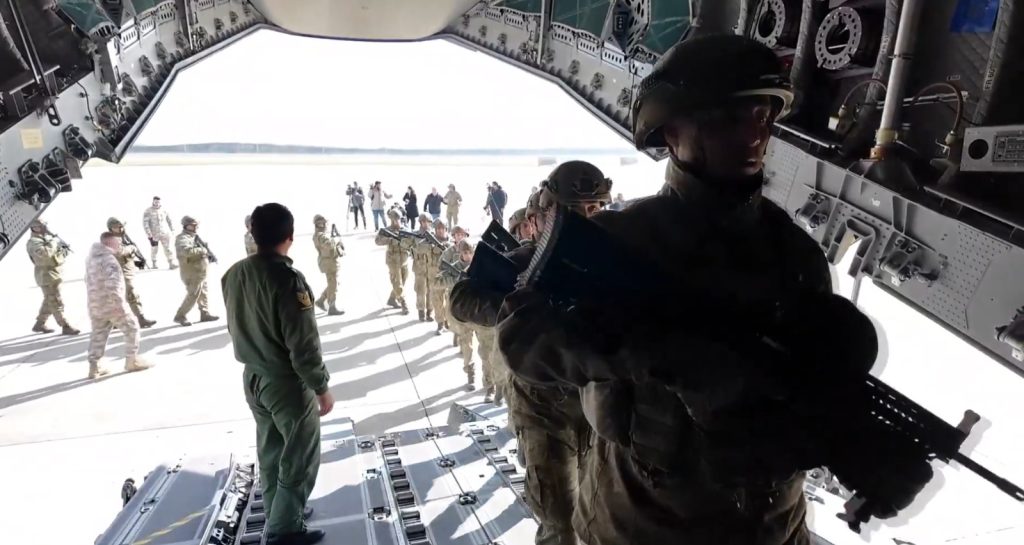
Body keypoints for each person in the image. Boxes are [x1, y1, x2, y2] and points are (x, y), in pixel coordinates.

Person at [489, 35, 932, 545]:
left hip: (770, 527)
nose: (753, 133)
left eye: (763, 115)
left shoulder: (794, 254)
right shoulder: (623, 239)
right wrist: (655, 351)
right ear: (671, 130)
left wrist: (852, 443)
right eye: (728, 118)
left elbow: (801, 388)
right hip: (639, 525)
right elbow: (522, 336)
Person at [451, 161, 612, 545]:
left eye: (595, 208)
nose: (588, 219)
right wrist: (519, 309)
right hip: (542, 407)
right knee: (560, 521)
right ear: (551, 215)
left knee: (597, 516)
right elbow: (461, 299)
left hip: (596, 404)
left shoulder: (608, 264)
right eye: (577, 211)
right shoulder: (528, 261)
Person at [222, 203, 333, 545]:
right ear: (290, 237)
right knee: (299, 456)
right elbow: (303, 344)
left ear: (253, 234)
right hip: (284, 382)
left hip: (253, 378)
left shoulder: (234, 273)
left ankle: (280, 511)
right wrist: (321, 386)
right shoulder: (287, 280)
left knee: (271, 451)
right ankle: (285, 529)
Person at [85, 232, 154, 379]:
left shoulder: (91, 258)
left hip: (95, 305)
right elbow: (113, 285)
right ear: (110, 243)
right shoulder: (109, 260)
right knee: (132, 328)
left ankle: (94, 366)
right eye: (118, 243)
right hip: (112, 305)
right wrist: (120, 306)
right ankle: (132, 361)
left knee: (98, 335)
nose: (120, 246)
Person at [26, 219, 80, 335]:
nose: (44, 228)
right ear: (34, 228)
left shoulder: (46, 239)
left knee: (49, 300)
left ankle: (40, 323)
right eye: (41, 226)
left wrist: (63, 250)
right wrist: (54, 242)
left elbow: (57, 256)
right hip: (46, 276)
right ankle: (65, 326)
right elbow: (46, 254)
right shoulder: (33, 242)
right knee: (56, 301)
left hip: (55, 274)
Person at [437, 239, 478, 390]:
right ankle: (470, 373)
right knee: (467, 344)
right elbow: (437, 282)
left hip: (479, 311)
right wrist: (455, 280)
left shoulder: (479, 266)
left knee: (486, 349)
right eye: (465, 253)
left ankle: (490, 384)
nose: (468, 256)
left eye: (470, 252)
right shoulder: (453, 268)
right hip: (462, 312)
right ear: (460, 253)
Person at [106, 217, 157, 328]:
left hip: (125, 270)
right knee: (130, 295)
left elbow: (124, 257)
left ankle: (115, 321)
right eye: (117, 227)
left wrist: (136, 262)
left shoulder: (123, 237)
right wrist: (132, 248)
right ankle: (140, 319)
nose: (120, 229)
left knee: (121, 297)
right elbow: (120, 252)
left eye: (121, 226)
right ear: (111, 228)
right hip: (116, 273)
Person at [173, 216, 219, 326]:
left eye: (196, 225)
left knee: (203, 292)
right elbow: (186, 251)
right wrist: (202, 250)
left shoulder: (194, 237)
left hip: (200, 271)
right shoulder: (182, 238)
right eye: (193, 225)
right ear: (186, 226)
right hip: (192, 272)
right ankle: (180, 316)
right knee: (193, 294)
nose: (196, 227)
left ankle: (204, 313)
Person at [374, 209, 413, 314]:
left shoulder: (404, 230)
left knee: (403, 280)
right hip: (393, 260)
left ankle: (392, 298)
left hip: (404, 259)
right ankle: (403, 302)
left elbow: (412, 242)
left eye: (398, 218)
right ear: (391, 219)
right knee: (397, 282)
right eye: (395, 219)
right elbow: (377, 241)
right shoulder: (386, 231)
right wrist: (390, 240)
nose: (397, 221)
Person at [312, 215, 345, 316]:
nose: (326, 225)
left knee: (334, 283)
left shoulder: (319, 235)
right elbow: (329, 245)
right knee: (333, 283)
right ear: (320, 224)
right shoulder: (320, 236)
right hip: (328, 262)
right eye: (325, 223)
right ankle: (332, 307)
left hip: (329, 261)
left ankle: (321, 300)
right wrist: (336, 240)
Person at [424, 219, 452, 335]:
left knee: (449, 301)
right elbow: (419, 248)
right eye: (438, 229)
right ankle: (440, 323)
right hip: (435, 277)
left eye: (442, 228)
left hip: (448, 276)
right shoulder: (429, 242)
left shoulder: (451, 243)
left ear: (446, 229)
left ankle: (447, 321)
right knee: (437, 301)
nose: (440, 231)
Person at [142, 196, 178, 269]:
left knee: (168, 248)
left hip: (164, 233)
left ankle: (171, 263)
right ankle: (154, 264)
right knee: (154, 249)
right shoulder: (148, 211)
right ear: (153, 201)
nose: (157, 203)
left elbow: (169, 220)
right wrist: (149, 234)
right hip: (154, 234)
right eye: (155, 201)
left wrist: (172, 230)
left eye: (158, 202)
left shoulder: (164, 210)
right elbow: (145, 223)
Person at [410, 215, 434, 322]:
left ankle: (430, 311)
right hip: (419, 266)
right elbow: (408, 246)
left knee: (431, 290)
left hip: (431, 266)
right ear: (420, 222)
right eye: (423, 221)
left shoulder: (434, 235)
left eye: (427, 221)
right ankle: (421, 311)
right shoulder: (415, 234)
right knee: (420, 290)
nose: (425, 223)